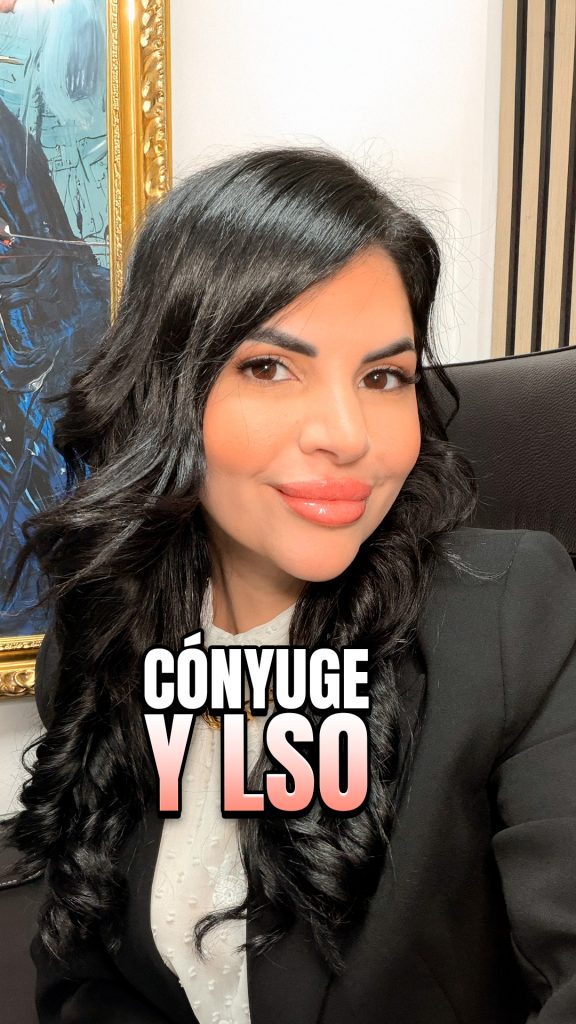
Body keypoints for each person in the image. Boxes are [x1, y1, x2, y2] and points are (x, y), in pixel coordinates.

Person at [3, 147, 576, 1024]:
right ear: (166, 391)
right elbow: (84, 975)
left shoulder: (512, 615)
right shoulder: (100, 634)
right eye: (269, 367)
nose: (348, 435)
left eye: (383, 377)